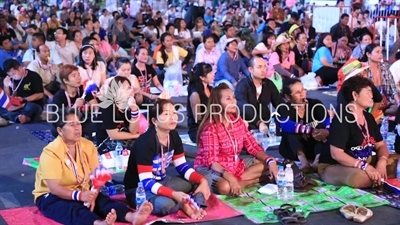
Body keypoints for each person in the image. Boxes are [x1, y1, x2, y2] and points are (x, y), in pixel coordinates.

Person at [33, 108, 153, 225]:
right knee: (71, 208)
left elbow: (97, 178)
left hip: (82, 190)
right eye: (71, 124)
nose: (77, 128)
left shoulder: (88, 145)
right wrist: (80, 196)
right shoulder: (51, 152)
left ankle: (132, 217)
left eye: (78, 124)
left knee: (103, 202)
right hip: (52, 196)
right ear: (60, 130)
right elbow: (55, 188)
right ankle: (98, 223)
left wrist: (93, 194)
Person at [124, 99, 210, 218]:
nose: (173, 117)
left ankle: (197, 205)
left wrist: (202, 180)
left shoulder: (173, 135)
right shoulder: (145, 142)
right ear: (154, 121)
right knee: (166, 204)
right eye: (166, 114)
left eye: (174, 113)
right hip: (140, 189)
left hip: (163, 182)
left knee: (200, 181)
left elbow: (182, 167)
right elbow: (147, 182)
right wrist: (174, 194)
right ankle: (187, 205)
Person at [194, 83, 279, 195]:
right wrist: (230, 177)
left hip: (234, 164)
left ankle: (241, 182)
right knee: (224, 187)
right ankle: (251, 181)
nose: (233, 101)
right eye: (228, 99)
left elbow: (253, 146)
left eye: (233, 98)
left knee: (271, 165)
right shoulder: (210, 127)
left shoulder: (237, 121)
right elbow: (212, 162)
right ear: (218, 103)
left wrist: (270, 160)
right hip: (211, 167)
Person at [318, 76, 398, 188]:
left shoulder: (368, 117)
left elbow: (380, 145)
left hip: (363, 162)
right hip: (335, 165)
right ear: (355, 95)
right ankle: (377, 178)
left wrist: (381, 162)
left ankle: (377, 177)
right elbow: (337, 154)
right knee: (360, 178)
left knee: (394, 161)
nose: (372, 96)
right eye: (368, 92)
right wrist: (366, 167)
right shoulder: (342, 117)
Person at [279, 78, 330, 172]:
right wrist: (310, 130)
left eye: (303, 89)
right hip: (293, 149)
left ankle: (317, 162)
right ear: (288, 97)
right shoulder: (284, 108)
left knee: (321, 128)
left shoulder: (316, 104)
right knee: (290, 131)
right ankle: (304, 163)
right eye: (298, 92)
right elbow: (285, 125)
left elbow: (328, 121)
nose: (303, 93)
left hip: (314, 147)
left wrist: (326, 131)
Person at [235, 56, 284, 132]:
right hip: (248, 122)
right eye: (259, 67)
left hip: (266, 120)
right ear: (250, 69)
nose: (263, 70)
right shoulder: (243, 85)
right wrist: (259, 122)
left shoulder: (269, 84)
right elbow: (244, 107)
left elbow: (279, 102)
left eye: (265, 67)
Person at [95, 76, 140, 154]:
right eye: (123, 88)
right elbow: (113, 135)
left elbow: (133, 131)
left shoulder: (128, 105)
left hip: (123, 141)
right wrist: (136, 136)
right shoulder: (107, 107)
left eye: (129, 87)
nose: (128, 91)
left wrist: (134, 110)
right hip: (107, 143)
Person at [0, 59, 43, 123]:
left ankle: (16, 117)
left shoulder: (33, 76)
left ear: (20, 68)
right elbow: (7, 97)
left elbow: (40, 95)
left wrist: (23, 100)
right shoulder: (10, 78)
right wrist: (6, 86)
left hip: (28, 104)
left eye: (13, 74)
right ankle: (20, 117)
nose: (12, 76)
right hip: (14, 105)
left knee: (31, 107)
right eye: (10, 75)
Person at [187, 62, 214, 143]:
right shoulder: (195, 94)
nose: (213, 74)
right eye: (210, 73)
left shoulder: (211, 89)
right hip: (198, 129)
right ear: (202, 77)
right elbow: (198, 119)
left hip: (212, 124)